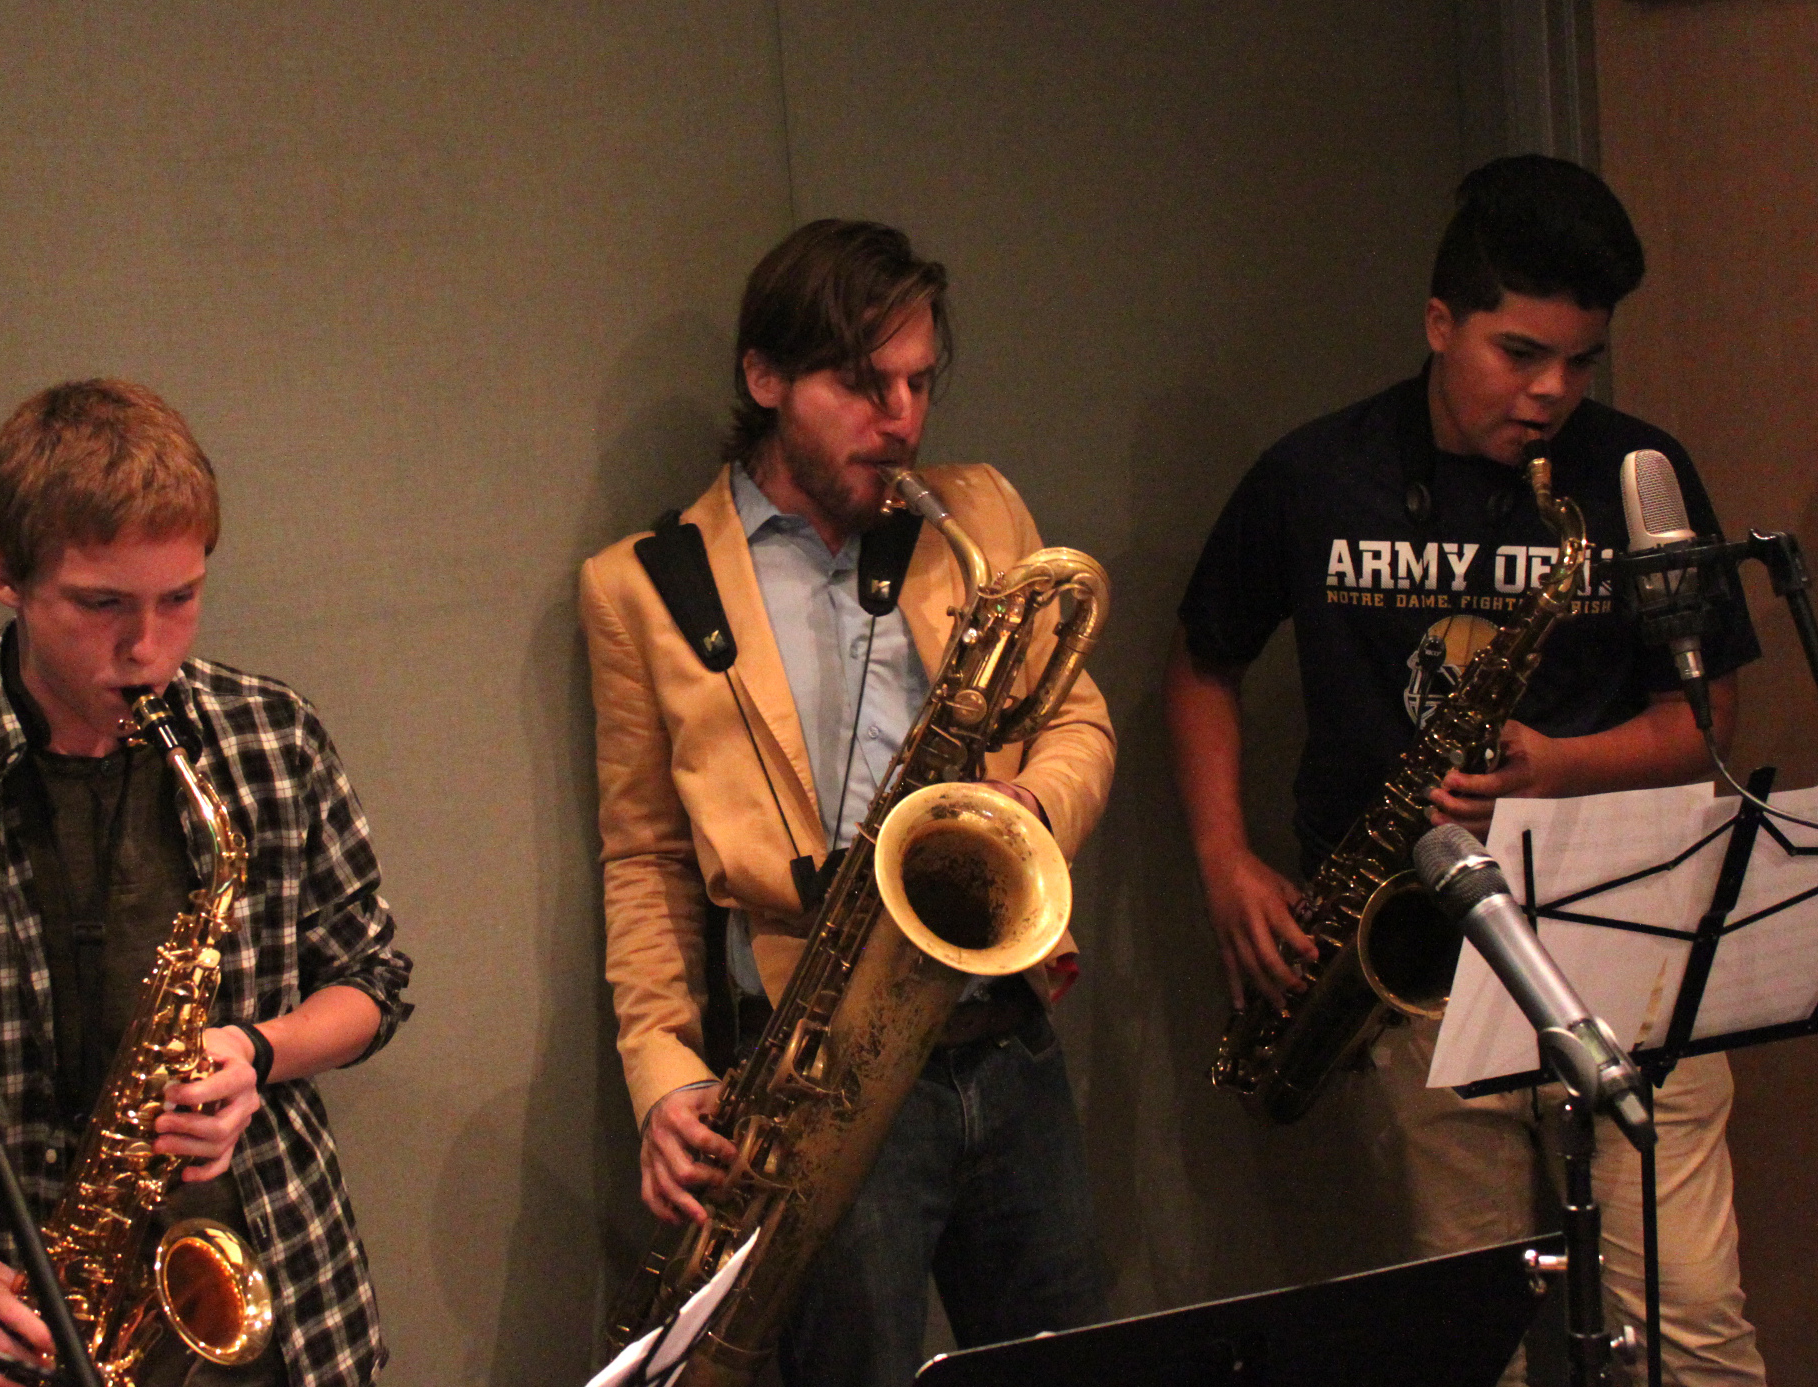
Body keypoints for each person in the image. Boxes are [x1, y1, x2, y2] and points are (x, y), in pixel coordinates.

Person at [1165, 155, 1766, 1384]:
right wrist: (1225, 861)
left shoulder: (1636, 477)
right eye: (1517, 353)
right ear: (1438, 324)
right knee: (1467, 1341)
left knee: (1692, 1329)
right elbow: (1199, 664)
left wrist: (1559, 767)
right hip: (1413, 970)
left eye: (1579, 361)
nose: (1550, 393)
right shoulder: (1311, 475)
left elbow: (1700, 722)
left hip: (1627, 959)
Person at [0, 380, 413, 1387]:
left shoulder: (273, 734)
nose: (148, 647)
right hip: (20, 1313)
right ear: (3, 576)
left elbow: (373, 981)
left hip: (275, 1284)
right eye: (101, 604)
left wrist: (257, 1050)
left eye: (179, 598)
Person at [580, 219, 1115, 1387]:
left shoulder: (971, 517)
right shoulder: (639, 587)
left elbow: (1078, 721)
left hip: (1006, 1043)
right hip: (819, 1078)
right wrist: (661, 1070)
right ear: (763, 378)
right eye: (862, 384)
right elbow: (644, 859)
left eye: (920, 382)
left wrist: (1017, 805)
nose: (903, 419)